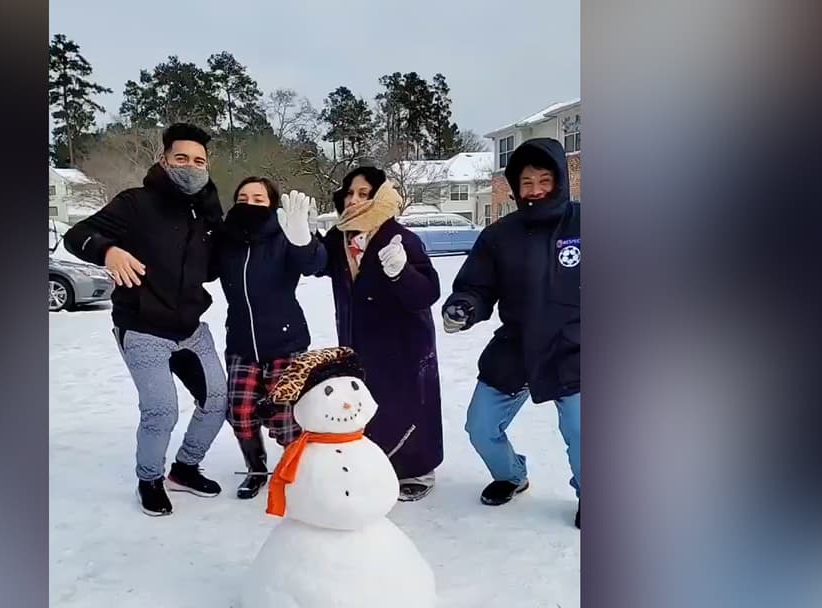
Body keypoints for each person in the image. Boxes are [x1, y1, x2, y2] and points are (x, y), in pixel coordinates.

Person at [62, 122, 228, 517]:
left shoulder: (207, 212)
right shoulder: (136, 203)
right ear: (164, 160)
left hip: (191, 329)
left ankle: (185, 468)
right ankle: (149, 479)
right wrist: (108, 251)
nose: (191, 166)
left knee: (217, 401)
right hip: (143, 327)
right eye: (181, 158)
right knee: (161, 411)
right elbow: (77, 235)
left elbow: (213, 270)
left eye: (199, 161)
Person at [441, 137, 581, 528]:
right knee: (480, 426)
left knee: (581, 430)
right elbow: (476, 286)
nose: (535, 189)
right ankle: (511, 474)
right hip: (516, 345)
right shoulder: (499, 236)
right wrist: (464, 306)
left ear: (559, 180)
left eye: (544, 180)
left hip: (575, 348)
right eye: (526, 182)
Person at [318, 167, 443, 501]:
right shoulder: (339, 238)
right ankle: (376, 465)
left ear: (380, 197)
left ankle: (417, 469)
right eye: (349, 193)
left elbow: (427, 292)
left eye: (364, 193)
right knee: (369, 405)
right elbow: (315, 265)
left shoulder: (400, 237)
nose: (353, 200)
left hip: (404, 342)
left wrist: (401, 272)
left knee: (407, 403)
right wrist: (302, 242)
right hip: (357, 339)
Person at [215, 177, 326, 499]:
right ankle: (256, 469)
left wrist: (304, 239)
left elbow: (315, 265)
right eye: (243, 198)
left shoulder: (284, 234)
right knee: (239, 413)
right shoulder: (226, 239)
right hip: (241, 343)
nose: (249, 204)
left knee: (285, 417)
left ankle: (298, 468)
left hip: (285, 341)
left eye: (258, 199)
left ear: (272, 204)